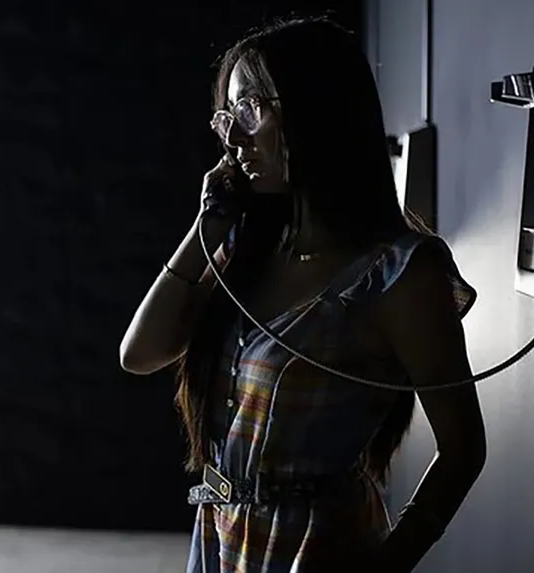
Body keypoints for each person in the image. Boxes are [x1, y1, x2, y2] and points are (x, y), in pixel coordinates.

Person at [118, 16, 487, 573]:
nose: (232, 137)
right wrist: (204, 231)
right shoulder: (249, 246)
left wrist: (392, 562)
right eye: (228, 116)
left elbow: (463, 450)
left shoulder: (399, 274)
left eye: (249, 111)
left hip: (318, 547)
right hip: (222, 541)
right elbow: (139, 354)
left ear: (316, 109)